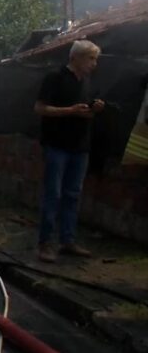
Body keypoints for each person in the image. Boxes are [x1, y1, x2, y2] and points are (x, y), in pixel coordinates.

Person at [34, 39, 104, 262]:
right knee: (53, 194)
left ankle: (68, 240)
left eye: (95, 59)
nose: (94, 64)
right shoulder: (55, 77)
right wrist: (70, 111)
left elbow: (85, 112)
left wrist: (94, 108)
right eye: (90, 58)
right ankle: (45, 243)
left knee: (73, 195)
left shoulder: (87, 82)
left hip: (80, 146)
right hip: (57, 145)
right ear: (75, 57)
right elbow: (40, 108)